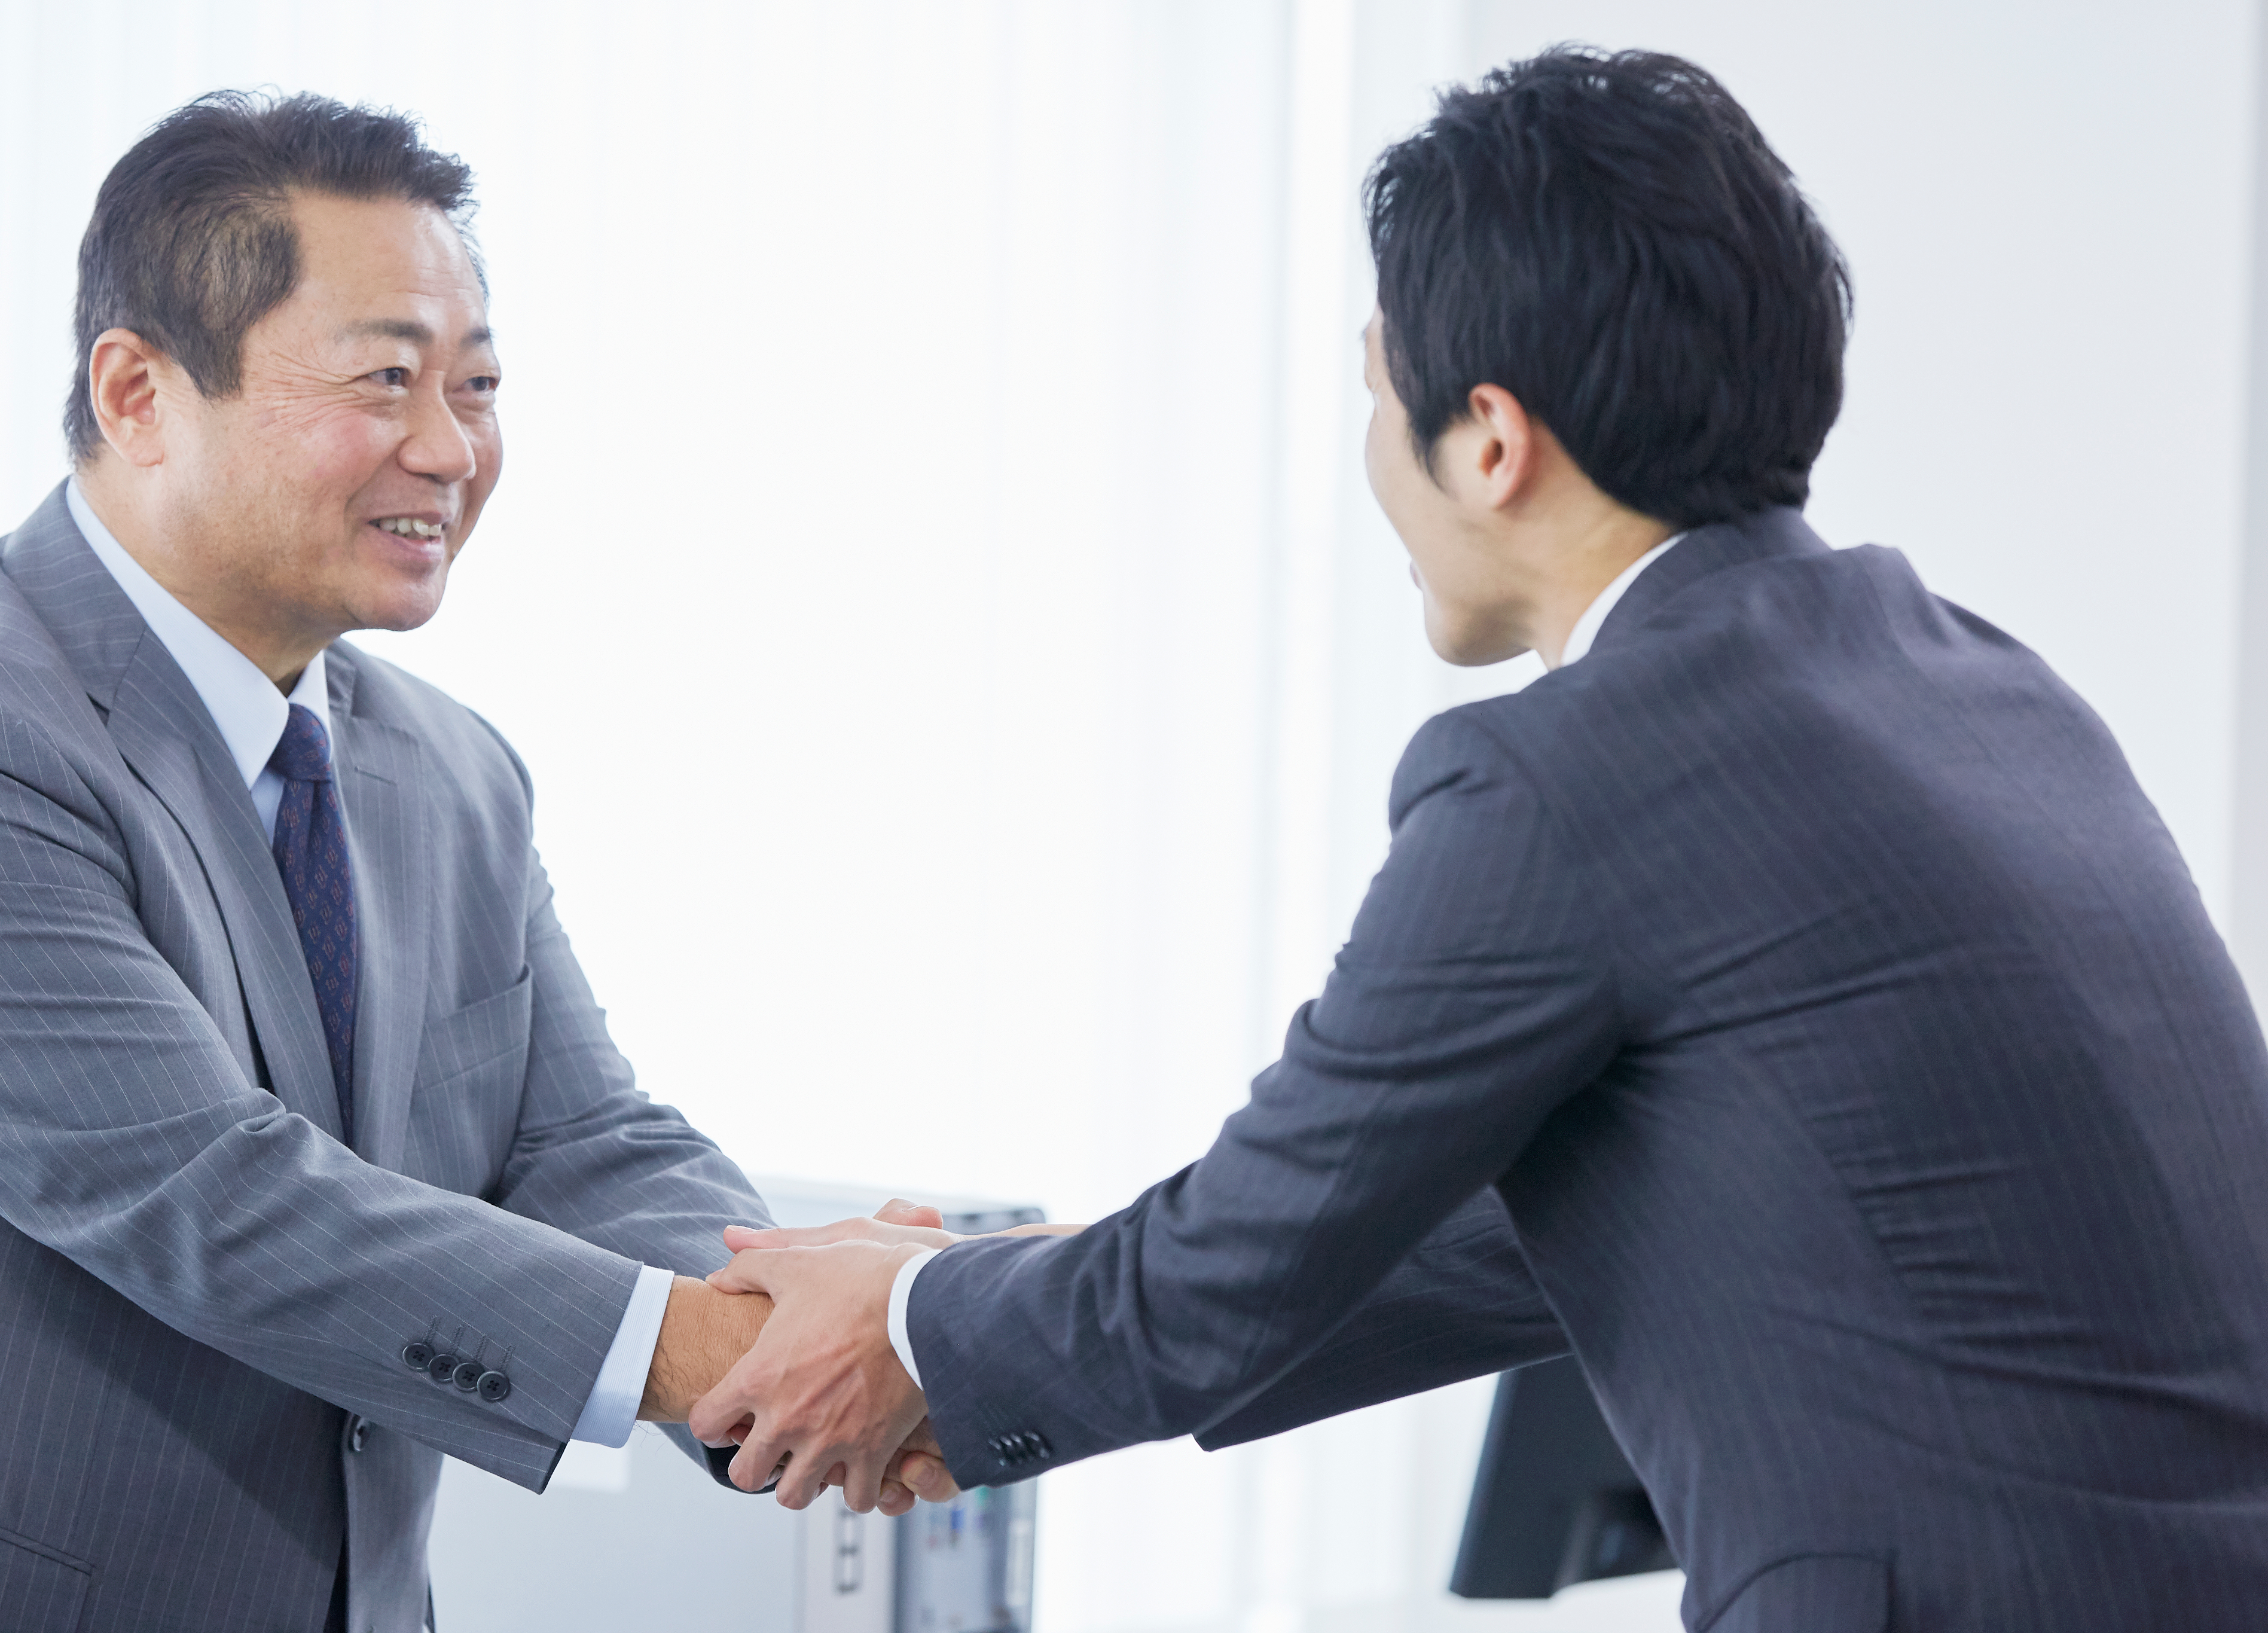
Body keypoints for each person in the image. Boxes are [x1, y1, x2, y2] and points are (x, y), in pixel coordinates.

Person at [693, 46, 2268, 1632]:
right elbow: (1532, 1229)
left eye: (1381, 395)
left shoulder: (1571, 776)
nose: (1377, 451)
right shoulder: (1983, 686)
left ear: (1491, 440)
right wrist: (1001, 1312)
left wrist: (913, 1321)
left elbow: (1225, 1272)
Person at [0, 92, 925, 1633]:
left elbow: (582, 1141)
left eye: (478, 386)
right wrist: (758, 1356)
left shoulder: (453, 770)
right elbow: (220, 1201)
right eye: (386, 380)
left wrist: (864, 1312)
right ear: (138, 393)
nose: (451, 449)